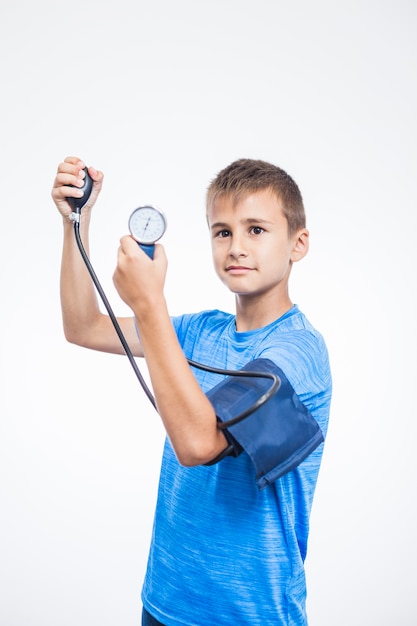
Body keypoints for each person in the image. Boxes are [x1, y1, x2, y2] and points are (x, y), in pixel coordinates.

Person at [52, 156, 332, 626]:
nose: (237, 247)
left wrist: (150, 304)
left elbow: (198, 443)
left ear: (297, 244)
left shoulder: (299, 354)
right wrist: (75, 224)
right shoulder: (201, 331)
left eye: (256, 230)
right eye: (222, 232)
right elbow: (83, 326)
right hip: (165, 601)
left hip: (248, 614)